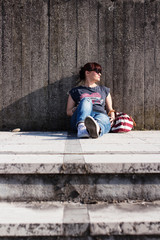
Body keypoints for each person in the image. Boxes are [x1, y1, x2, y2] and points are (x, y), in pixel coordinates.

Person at [66, 62, 115, 138]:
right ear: (87, 72)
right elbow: (68, 112)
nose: (100, 74)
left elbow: (110, 109)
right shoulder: (76, 91)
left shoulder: (104, 90)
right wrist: (76, 109)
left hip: (100, 115)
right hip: (81, 117)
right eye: (97, 71)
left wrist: (112, 116)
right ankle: (82, 127)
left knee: (103, 119)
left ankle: (96, 129)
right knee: (86, 100)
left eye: (100, 72)